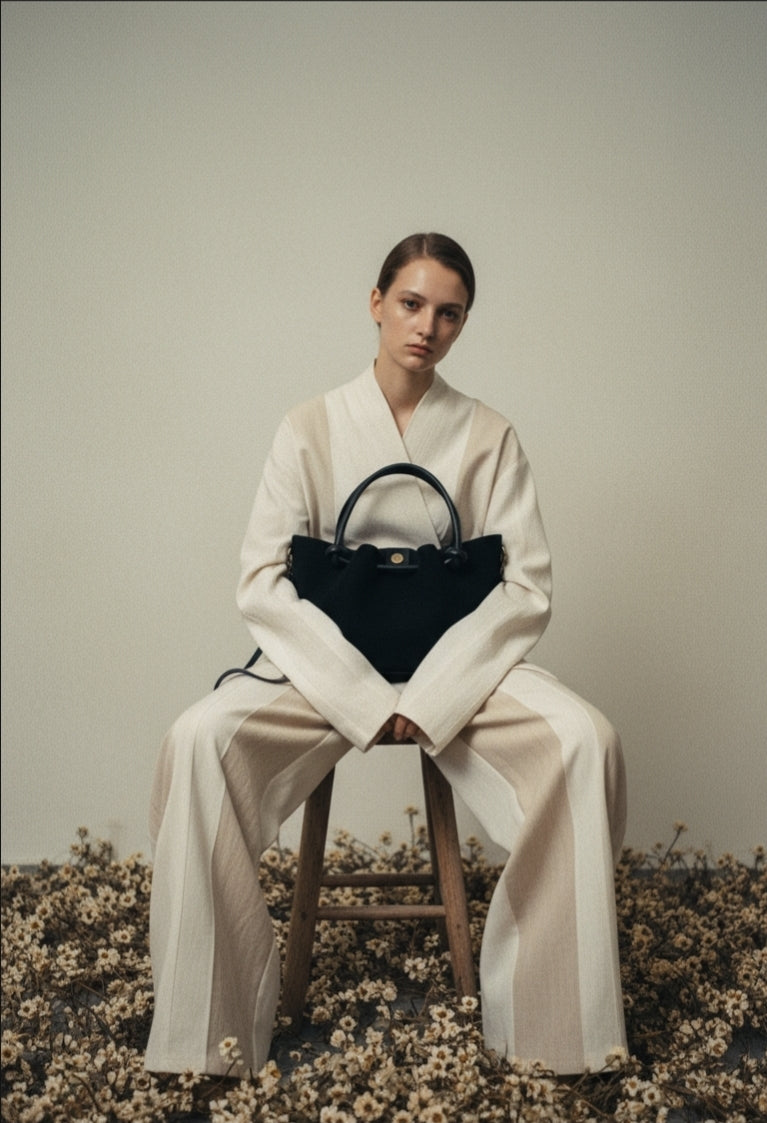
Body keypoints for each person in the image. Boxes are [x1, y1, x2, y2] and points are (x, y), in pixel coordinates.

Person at [145, 232, 628, 1079]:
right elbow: (262, 580)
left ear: (462, 323)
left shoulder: (489, 435)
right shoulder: (307, 427)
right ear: (375, 303)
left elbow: (525, 588)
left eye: (449, 313)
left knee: (584, 739)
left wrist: (431, 696)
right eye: (410, 303)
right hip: (324, 666)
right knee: (197, 738)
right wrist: (360, 695)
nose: (426, 327)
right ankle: (205, 1037)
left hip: (458, 667)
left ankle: (552, 1030)